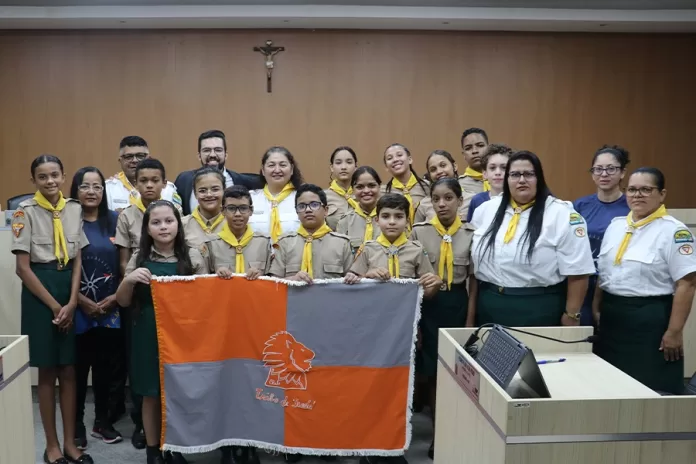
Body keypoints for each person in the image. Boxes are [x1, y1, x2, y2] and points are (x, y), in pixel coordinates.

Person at [346, 193, 441, 464]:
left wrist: (433, 284)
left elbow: (428, 292)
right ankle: (370, 445)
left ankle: (395, 446)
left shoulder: (415, 250)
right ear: (377, 220)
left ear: (407, 221)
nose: (392, 222)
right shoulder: (368, 249)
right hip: (373, 332)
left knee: (400, 390)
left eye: (399, 217)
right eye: (386, 216)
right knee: (373, 387)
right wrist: (366, 276)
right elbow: (351, 282)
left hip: (404, 335)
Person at [11, 155, 93, 464]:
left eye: (54, 175)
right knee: (47, 372)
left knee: (69, 369)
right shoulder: (25, 212)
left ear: (63, 176)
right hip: (39, 292)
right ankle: (52, 445)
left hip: (66, 288)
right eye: (42, 177)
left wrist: (72, 302)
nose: (49, 182)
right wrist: (56, 305)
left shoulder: (73, 209)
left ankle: (71, 443)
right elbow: (22, 268)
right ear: (33, 180)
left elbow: (77, 261)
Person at [115, 201, 208, 464]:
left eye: (169, 221)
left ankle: (174, 446)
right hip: (147, 333)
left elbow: (205, 299)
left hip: (183, 334)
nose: (163, 227)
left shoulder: (192, 256)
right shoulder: (139, 258)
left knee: (179, 392)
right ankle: (153, 450)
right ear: (147, 228)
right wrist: (129, 279)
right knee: (151, 393)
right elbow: (122, 301)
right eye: (156, 222)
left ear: (179, 224)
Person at [594, 167, 696, 395]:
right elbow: (605, 272)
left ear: (662, 194)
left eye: (645, 189)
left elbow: (687, 285)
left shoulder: (674, 232)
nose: (637, 195)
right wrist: (596, 307)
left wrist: (674, 331)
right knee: (610, 387)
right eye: (631, 189)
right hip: (613, 317)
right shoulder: (616, 225)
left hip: (650, 319)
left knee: (650, 391)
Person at [470, 151, 595, 327]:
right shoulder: (485, 211)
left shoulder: (561, 214)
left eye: (528, 174)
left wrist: (572, 314)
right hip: (490, 307)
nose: (521, 180)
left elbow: (579, 272)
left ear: (539, 178)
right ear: (507, 179)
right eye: (514, 174)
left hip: (539, 309)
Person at [411, 178, 476, 460]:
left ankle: (463, 433)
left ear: (460, 201)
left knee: (460, 375)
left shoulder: (473, 233)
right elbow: (412, 280)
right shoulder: (419, 233)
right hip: (428, 307)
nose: (442, 204)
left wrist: (469, 321)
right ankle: (439, 434)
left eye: (448, 198)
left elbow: (474, 283)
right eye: (436, 199)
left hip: (459, 305)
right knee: (435, 376)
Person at [113, 157, 169, 450]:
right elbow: (125, 264)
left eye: (155, 180)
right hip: (143, 307)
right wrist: (133, 280)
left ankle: (172, 441)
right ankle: (146, 434)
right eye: (143, 180)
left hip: (176, 324)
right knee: (146, 381)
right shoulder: (128, 218)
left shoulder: (179, 220)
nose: (149, 185)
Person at [70, 167, 123, 450]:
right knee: (78, 370)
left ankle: (102, 421)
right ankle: (75, 424)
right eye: (85, 186)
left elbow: (127, 263)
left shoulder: (116, 220)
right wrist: (80, 300)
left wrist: (114, 298)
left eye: (97, 186)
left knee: (106, 370)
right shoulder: (68, 221)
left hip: (111, 307)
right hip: (77, 307)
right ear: (75, 190)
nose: (92, 191)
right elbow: (61, 267)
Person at [573, 145, 631, 326]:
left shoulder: (632, 207)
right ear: (592, 174)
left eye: (611, 169)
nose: (604, 174)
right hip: (582, 282)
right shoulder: (580, 205)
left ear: (622, 173)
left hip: (614, 284)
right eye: (598, 169)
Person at [270, 183, 353, 282]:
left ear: (326, 210)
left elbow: (351, 282)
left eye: (314, 205)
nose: (308, 210)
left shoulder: (342, 243)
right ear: (296, 212)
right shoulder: (284, 243)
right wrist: (292, 279)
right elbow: (274, 284)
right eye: (302, 206)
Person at [174, 130, 263, 216]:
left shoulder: (245, 182)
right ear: (199, 156)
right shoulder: (184, 180)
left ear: (226, 155)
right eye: (206, 150)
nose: (212, 155)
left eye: (218, 150)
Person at [207, 185, 272, 283]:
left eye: (243, 208)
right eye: (231, 208)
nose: (237, 214)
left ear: (251, 211)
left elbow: (274, 280)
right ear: (223, 211)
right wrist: (215, 276)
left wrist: (261, 276)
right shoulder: (211, 244)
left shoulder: (264, 243)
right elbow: (201, 281)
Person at [105, 136, 181, 213]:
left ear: (149, 158)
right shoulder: (109, 189)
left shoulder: (168, 189)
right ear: (120, 161)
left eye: (140, 156)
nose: (134, 160)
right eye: (128, 157)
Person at [249, 146, 304, 243]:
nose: (277, 170)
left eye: (283, 165)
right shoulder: (250, 198)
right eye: (271, 165)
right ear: (263, 170)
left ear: (291, 170)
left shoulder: (302, 198)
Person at [414, 150, 472, 223]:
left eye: (443, 165)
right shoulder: (423, 205)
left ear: (454, 166)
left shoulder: (471, 200)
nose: (439, 171)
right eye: (433, 169)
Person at [336, 166, 382, 253]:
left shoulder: (390, 218)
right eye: (360, 187)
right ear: (353, 190)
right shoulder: (345, 222)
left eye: (371, 185)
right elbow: (339, 255)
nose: (366, 190)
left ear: (379, 187)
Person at [382, 144, 430, 226]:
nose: (395, 159)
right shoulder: (382, 192)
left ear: (410, 159)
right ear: (386, 167)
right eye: (390, 158)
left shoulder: (427, 186)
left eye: (399, 155)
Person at [466, 144, 513, 222]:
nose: (498, 172)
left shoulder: (518, 200)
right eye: (492, 168)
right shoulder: (477, 200)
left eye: (504, 168)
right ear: (485, 174)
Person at [182, 167, 225, 248]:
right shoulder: (182, 225)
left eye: (215, 189)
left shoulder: (233, 223)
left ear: (224, 190)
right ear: (195, 194)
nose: (209, 194)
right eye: (202, 191)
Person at [325, 146, 358, 230]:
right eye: (338, 163)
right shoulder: (323, 197)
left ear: (356, 167)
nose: (343, 167)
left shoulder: (364, 193)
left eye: (349, 162)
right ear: (332, 167)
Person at [458, 127, 490, 195]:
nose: (475, 151)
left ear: (489, 149)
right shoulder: (458, 185)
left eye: (480, 145)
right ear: (464, 155)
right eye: (468, 148)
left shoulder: (502, 179)